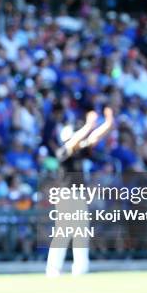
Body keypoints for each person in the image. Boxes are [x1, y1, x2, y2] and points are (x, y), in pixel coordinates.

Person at [46, 107, 113, 277]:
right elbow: (75, 141)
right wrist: (89, 124)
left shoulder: (78, 151)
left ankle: (81, 269)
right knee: (63, 233)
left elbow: (94, 138)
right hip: (65, 196)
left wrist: (108, 123)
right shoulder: (62, 152)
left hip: (78, 196)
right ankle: (53, 269)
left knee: (81, 233)